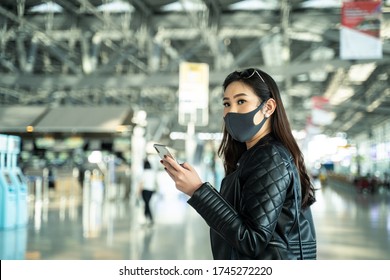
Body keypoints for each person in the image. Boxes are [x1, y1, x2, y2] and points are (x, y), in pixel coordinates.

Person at [161, 68, 317, 259]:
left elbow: (252, 241)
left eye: (241, 101)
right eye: (226, 103)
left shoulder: (269, 156)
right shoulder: (251, 157)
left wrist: (198, 191)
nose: (231, 111)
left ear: (268, 107)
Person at [138, 159, 157, 225]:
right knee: (147, 204)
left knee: (147, 204)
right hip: (151, 190)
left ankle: (150, 218)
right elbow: (155, 182)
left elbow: (141, 183)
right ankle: (146, 218)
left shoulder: (144, 173)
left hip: (145, 190)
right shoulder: (152, 173)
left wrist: (138, 191)